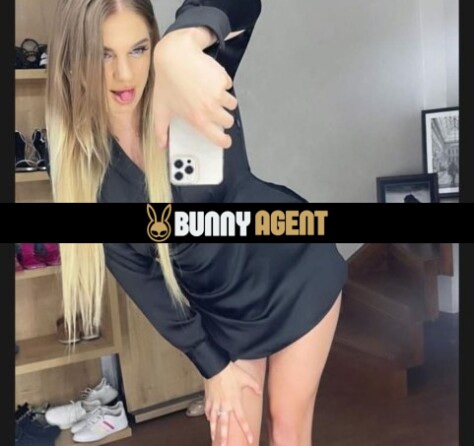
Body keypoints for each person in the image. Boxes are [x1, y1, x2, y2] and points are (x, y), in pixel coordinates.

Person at [45, 1, 348, 445]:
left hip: (294, 269)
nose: (124, 74)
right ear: (74, 60)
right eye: (103, 54)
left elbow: (244, 4)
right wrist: (212, 365)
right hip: (225, 315)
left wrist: (181, 44)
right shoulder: (87, 171)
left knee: (287, 429)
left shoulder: (188, 82)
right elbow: (145, 283)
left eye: (138, 49)